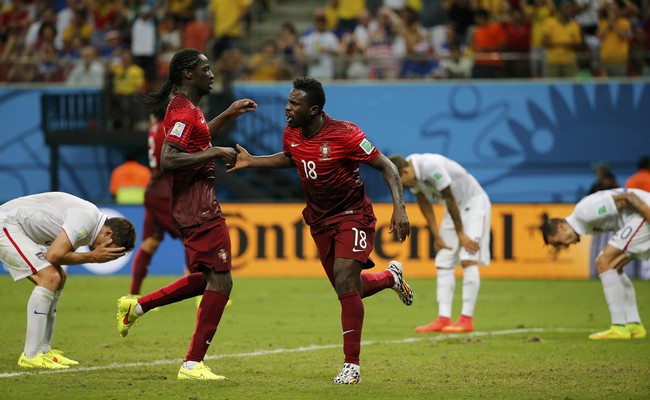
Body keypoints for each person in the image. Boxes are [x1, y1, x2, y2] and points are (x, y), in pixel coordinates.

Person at [230, 77, 413, 385]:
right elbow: (292, 158)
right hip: (319, 219)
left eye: (294, 104)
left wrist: (400, 207)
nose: (287, 108)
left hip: (352, 215)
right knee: (348, 287)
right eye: (288, 102)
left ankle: (351, 366)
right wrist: (252, 161)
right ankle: (391, 277)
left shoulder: (347, 134)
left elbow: (387, 166)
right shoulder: (292, 131)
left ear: (313, 109)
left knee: (345, 277)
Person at [115, 48, 257, 380]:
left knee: (207, 278)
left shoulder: (187, 110)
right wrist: (215, 151)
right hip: (197, 206)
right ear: (188, 74)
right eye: (206, 69)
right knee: (222, 281)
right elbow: (169, 159)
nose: (212, 74)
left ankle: (137, 306)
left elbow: (198, 135)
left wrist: (228, 115)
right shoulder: (181, 112)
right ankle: (193, 363)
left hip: (196, 202)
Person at [0, 192, 135, 369]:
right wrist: (93, 257)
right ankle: (31, 355)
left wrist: (92, 256)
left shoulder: (89, 221)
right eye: (111, 251)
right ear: (107, 233)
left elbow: (56, 255)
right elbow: (54, 255)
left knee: (59, 277)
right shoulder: (86, 220)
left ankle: (44, 350)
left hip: (19, 228)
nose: (107, 256)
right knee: (50, 277)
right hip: (6, 223)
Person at [389, 154, 491, 334]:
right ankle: (443, 318)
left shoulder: (430, 166)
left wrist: (461, 233)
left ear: (405, 172)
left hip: (474, 205)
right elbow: (424, 203)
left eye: (403, 184)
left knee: (467, 258)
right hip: (453, 211)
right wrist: (437, 236)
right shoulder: (410, 171)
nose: (405, 187)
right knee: (443, 259)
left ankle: (466, 319)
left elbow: (449, 197)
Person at [542, 188, 649, 340]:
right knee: (614, 267)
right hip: (638, 217)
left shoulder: (585, 213)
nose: (564, 246)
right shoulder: (585, 224)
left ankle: (618, 327)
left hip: (643, 214)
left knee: (603, 262)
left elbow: (628, 198)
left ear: (561, 226)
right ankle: (634, 324)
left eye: (559, 242)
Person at [128, 101, 189, 296]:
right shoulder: (168, 130)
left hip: (154, 191)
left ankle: (134, 295)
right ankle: (200, 292)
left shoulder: (154, 128)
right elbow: (174, 159)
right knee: (191, 237)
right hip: (166, 192)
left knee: (150, 243)